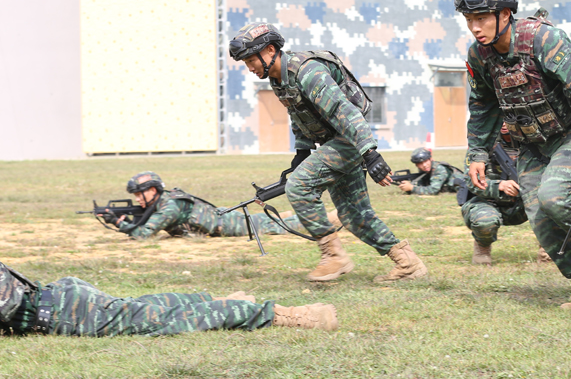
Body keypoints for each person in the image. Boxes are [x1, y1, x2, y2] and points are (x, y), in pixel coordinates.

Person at [457, 0, 571, 310]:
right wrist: (477, 153)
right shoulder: (479, 56)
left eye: (481, 18)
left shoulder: (543, 39)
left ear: (505, 14)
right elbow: (482, 105)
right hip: (531, 144)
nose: (475, 28)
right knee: (540, 218)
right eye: (469, 21)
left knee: (555, 197)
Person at [229, 23, 427, 284]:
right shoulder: (278, 79)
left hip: (349, 138)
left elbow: (343, 112)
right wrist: (302, 151)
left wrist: (370, 153)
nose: (250, 67)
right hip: (334, 141)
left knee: (299, 187)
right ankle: (408, 263)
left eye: (252, 60)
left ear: (270, 50)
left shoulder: (307, 71)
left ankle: (333, 256)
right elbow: (298, 115)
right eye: (245, 62)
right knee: (353, 215)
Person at [0, 261, 337, 336]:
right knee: (143, 306)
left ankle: (292, 315)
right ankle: (217, 299)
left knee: (161, 321)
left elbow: (8, 305)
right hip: (61, 296)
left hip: (64, 311)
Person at [114, 172, 308, 240]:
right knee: (260, 220)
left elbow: (145, 234)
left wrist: (120, 223)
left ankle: (326, 218)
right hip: (219, 216)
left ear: (154, 190)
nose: (138, 198)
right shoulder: (165, 199)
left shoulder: (169, 207)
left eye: (141, 193)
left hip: (224, 224)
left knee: (271, 227)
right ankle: (285, 214)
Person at [460, 126, 531, 265]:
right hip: (487, 202)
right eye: (500, 119)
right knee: (484, 220)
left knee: (551, 203)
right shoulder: (482, 145)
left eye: (507, 119)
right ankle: (482, 247)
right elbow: (470, 181)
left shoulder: (531, 142)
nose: (503, 124)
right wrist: (499, 185)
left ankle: (549, 249)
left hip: (523, 203)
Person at [397, 148, 462, 196]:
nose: (424, 165)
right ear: (416, 165)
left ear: (430, 159)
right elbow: (421, 186)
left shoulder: (439, 169)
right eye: (420, 163)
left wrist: (412, 188)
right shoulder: (424, 170)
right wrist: (407, 187)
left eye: (426, 161)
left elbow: (433, 190)